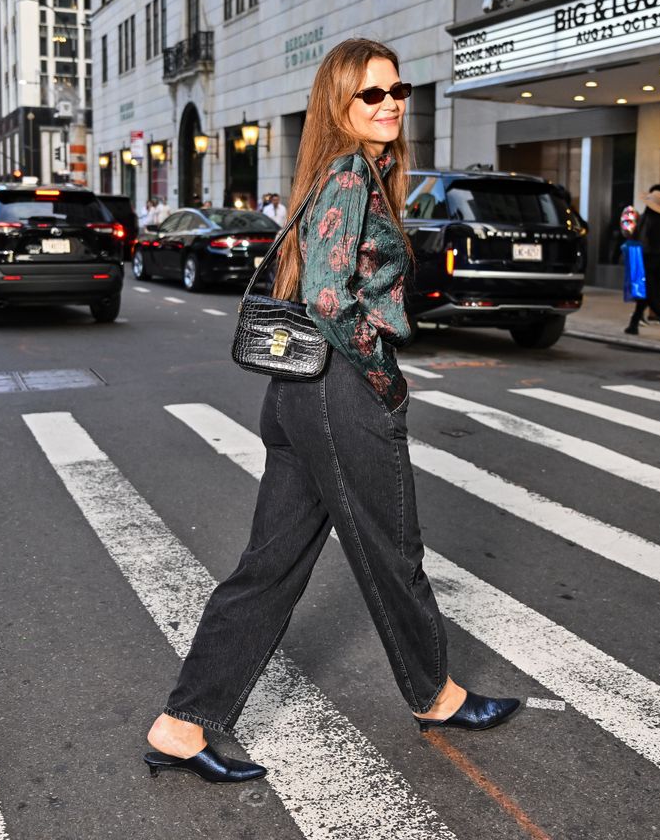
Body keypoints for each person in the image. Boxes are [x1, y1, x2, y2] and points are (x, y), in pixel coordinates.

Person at [144, 38, 520, 785]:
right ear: (339, 104)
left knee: (270, 565)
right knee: (393, 552)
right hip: (335, 390)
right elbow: (325, 295)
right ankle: (434, 694)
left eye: (396, 90)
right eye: (369, 95)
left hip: (294, 395)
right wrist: (380, 373)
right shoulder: (351, 175)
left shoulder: (338, 173)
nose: (389, 105)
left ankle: (182, 724)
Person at [624, 185, 660, 341]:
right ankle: (633, 324)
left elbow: (639, 239)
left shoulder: (647, 220)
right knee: (647, 292)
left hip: (646, 259)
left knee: (647, 293)